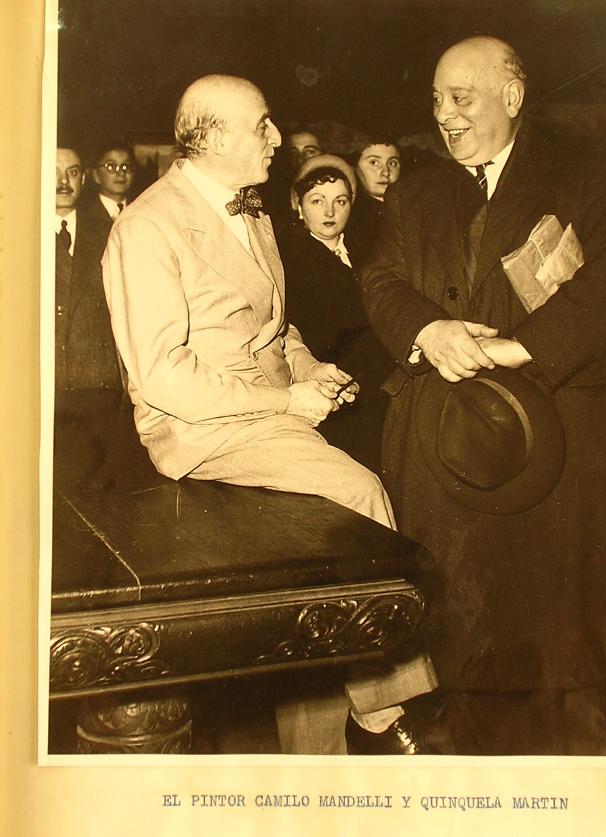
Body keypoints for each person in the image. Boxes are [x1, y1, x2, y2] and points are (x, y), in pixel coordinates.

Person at [101, 75, 437, 754]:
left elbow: (275, 328)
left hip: (267, 409)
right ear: (213, 136)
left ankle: (316, 758)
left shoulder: (252, 213)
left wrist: (308, 369)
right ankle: (382, 713)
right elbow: (163, 377)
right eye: (262, 125)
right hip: (199, 427)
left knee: (327, 555)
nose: (277, 139)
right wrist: (286, 400)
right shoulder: (146, 227)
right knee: (358, 492)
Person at [361, 36, 606, 754]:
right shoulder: (414, 191)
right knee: (457, 633)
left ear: (512, 97)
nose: (444, 115)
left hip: (552, 440)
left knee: (554, 650)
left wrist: (523, 347)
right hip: (442, 445)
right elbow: (382, 280)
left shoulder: (582, 175)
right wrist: (430, 329)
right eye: (436, 100)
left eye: (461, 98)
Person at [278, 154, 393, 473]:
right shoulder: (289, 262)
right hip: (334, 390)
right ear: (298, 206)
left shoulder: (369, 251)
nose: (330, 212)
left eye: (340, 201)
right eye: (317, 201)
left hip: (378, 384)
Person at [54, 145, 121, 392]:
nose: (63, 182)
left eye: (72, 173)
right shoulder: (18, 232)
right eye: (54, 173)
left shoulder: (107, 232)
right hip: (49, 376)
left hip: (96, 378)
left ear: (83, 179)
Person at [345, 135, 401, 269]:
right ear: (354, 168)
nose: (385, 172)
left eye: (392, 163)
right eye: (374, 163)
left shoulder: (411, 208)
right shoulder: (354, 219)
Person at [87, 140, 136, 221]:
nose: (121, 173)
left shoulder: (139, 209)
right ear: (96, 175)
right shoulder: (85, 213)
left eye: (126, 166)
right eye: (111, 166)